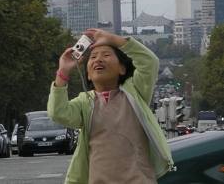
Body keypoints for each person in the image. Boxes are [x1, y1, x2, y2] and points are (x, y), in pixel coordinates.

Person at [47, 28, 174, 184]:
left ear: (122, 68)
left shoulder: (134, 92)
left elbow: (149, 61)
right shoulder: (85, 102)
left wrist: (112, 39)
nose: (98, 60)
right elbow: (57, 112)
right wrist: (63, 72)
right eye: (93, 57)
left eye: (106, 55)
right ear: (87, 73)